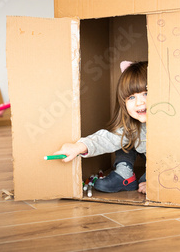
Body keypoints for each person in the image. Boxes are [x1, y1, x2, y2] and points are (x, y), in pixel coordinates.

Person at [53, 60, 148, 194]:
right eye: (131, 97)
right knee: (122, 140)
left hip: (164, 164)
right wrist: (79, 147)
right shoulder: (133, 126)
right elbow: (107, 139)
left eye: (146, 93)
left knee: (150, 180)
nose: (139, 102)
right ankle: (124, 175)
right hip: (146, 156)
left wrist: (155, 180)